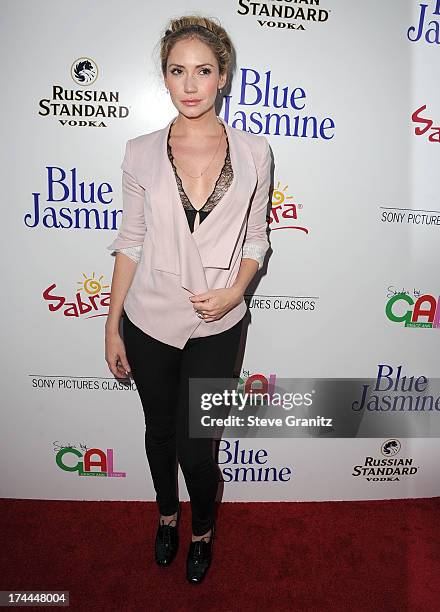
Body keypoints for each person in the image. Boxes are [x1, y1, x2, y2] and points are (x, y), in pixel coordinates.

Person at [104, 15, 272, 584]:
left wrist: (234, 291)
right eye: (178, 71)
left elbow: (255, 240)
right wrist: (111, 328)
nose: (191, 83)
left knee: (198, 448)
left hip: (217, 323)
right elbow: (129, 242)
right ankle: (168, 517)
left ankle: (202, 531)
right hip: (148, 317)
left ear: (222, 76)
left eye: (203, 70)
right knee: (159, 434)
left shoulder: (255, 152)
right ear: (165, 79)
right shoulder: (140, 151)